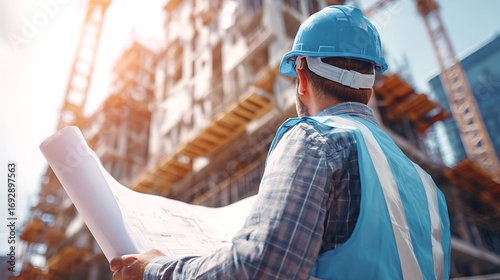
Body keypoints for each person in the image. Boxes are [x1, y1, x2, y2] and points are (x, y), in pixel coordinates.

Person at [110, 5, 451, 279]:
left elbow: (260, 269)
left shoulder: (314, 139)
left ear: (301, 77)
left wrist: (154, 270)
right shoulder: (429, 190)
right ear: (370, 87)